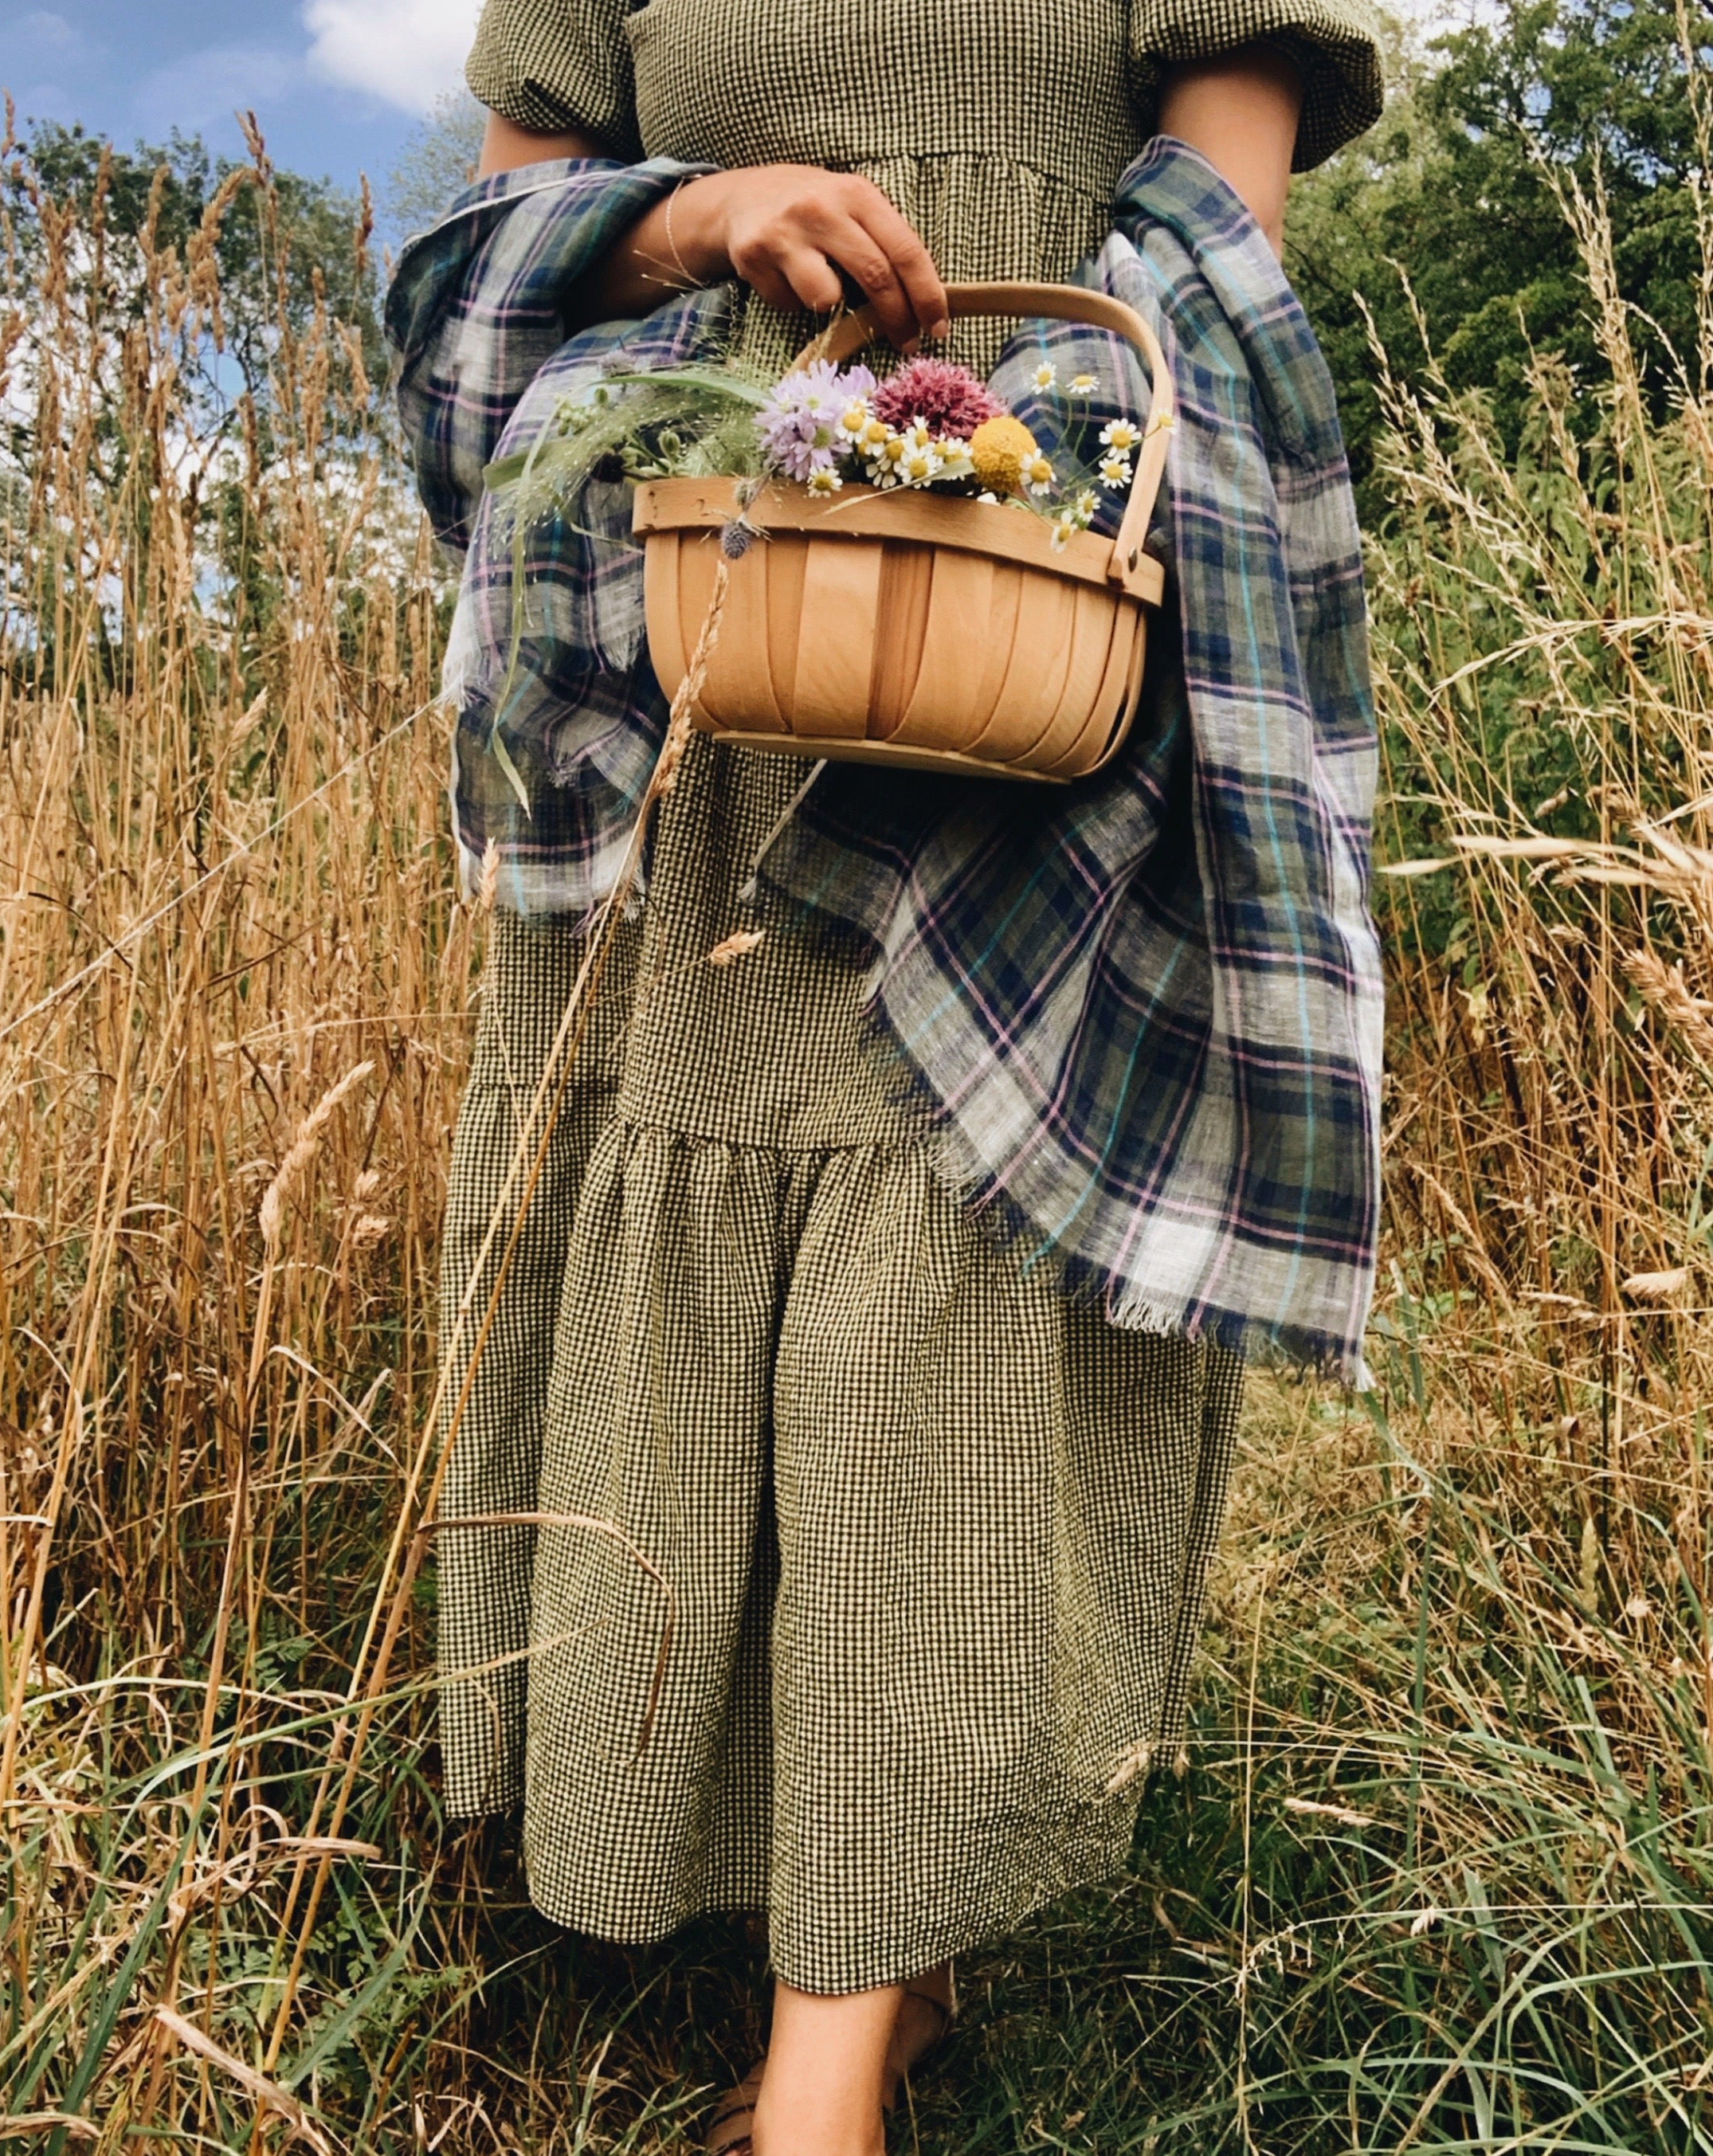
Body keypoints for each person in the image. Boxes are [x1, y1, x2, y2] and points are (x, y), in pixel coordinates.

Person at [405, 1, 1384, 2149]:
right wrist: (694, 220)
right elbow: (505, 244)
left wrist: (988, 483)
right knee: (682, 1220)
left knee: (924, 1292)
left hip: (1024, 608)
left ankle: (829, 2047)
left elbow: (1217, 235)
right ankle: (686, 1851)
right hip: (699, 630)